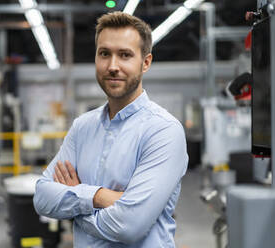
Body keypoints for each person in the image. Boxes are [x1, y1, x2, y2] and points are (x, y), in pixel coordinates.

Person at [33, 11, 188, 248]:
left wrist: (76, 205)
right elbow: (42, 197)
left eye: (125, 55)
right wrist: (100, 197)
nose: (113, 66)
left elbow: (129, 226)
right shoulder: (82, 127)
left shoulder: (163, 131)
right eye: (104, 54)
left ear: (145, 63)